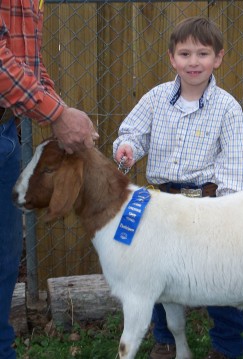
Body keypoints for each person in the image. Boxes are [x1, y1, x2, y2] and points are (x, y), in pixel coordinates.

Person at [113, 17, 243, 359]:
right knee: (156, 273)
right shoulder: (156, 99)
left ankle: (227, 346)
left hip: (205, 205)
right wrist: (126, 150)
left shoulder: (227, 109)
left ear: (218, 58)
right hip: (161, 204)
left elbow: (233, 165)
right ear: (172, 58)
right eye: (185, 53)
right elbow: (132, 134)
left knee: (219, 277)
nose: (193, 62)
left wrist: (226, 211)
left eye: (202, 54)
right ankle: (165, 340)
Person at [0, 1, 98, 358]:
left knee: (5, 259)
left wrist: (61, 111)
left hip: (5, 130)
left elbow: (27, 64)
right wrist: (57, 114)